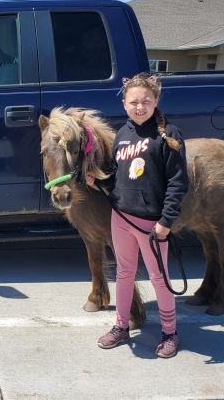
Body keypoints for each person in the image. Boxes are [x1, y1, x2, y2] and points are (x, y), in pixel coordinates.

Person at [90, 73, 188, 358]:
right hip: (121, 219)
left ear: (156, 100)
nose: (139, 106)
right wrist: (99, 181)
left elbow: (178, 183)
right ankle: (121, 326)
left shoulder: (168, 134)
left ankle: (170, 332)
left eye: (146, 101)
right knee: (123, 273)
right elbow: (118, 180)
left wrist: (166, 222)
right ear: (124, 103)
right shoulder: (122, 134)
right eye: (133, 102)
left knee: (160, 278)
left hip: (152, 225)